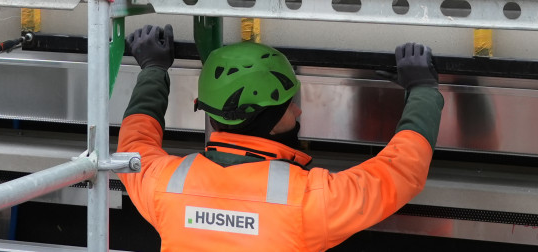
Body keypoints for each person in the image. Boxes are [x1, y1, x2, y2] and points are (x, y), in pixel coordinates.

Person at [119, 26, 442, 250]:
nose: (298, 113)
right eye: (289, 106)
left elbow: (134, 145)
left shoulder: (165, 183)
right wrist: (423, 89)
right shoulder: (308, 200)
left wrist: (152, 68)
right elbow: (400, 170)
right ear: (269, 123)